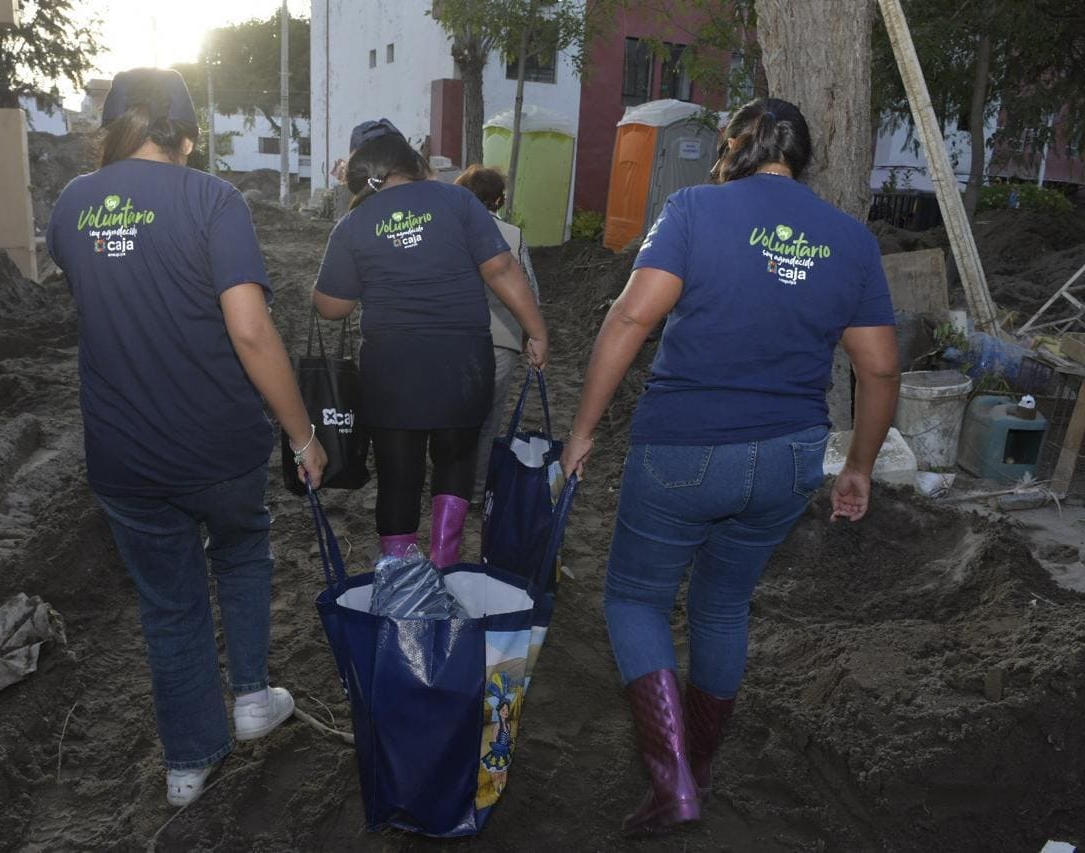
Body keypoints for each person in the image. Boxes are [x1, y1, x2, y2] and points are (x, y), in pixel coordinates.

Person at [559, 97, 899, 834]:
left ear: (735, 146)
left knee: (635, 600)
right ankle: (700, 766)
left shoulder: (691, 210)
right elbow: (879, 370)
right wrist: (860, 465)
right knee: (721, 605)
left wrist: (583, 429)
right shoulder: (849, 239)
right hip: (790, 459)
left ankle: (670, 775)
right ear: (799, 156)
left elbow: (630, 318)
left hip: (685, 449)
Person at [46, 68, 327, 808]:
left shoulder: (72, 205)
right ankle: (252, 698)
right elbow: (249, 328)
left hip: (124, 456)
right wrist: (302, 434)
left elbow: (100, 297)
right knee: (240, 552)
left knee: (169, 605)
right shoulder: (214, 200)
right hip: (219, 447)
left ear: (112, 127)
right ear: (188, 133)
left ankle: (187, 764)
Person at [312, 119, 548, 566]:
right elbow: (501, 270)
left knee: (399, 478)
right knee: (455, 464)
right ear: (411, 159)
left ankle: (401, 581)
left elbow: (333, 308)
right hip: (463, 366)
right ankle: (445, 567)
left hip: (392, 371)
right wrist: (536, 330)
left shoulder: (353, 225)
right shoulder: (458, 200)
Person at [453, 166, 541, 505]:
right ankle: (475, 493)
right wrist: (532, 334)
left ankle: (448, 488)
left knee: (452, 416)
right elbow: (530, 291)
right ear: (499, 200)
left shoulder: (449, 231)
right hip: (501, 341)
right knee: (487, 422)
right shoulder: (512, 235)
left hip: (452, 338)